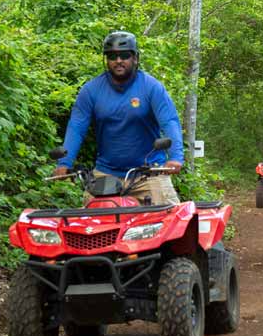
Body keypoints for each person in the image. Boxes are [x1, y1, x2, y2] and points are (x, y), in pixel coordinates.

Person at [53, 30, 183, 205]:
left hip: (149, 173)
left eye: (124, 55)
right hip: (106, 174)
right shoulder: (91, 90)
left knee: (174, 220)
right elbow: (77, 126)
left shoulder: (152, 87)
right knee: (89, 225)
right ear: (106, 60)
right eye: (112, 56)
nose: (119, 60)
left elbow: (170, 121)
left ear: (135, 58)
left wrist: (175, 157)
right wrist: (64, 162)